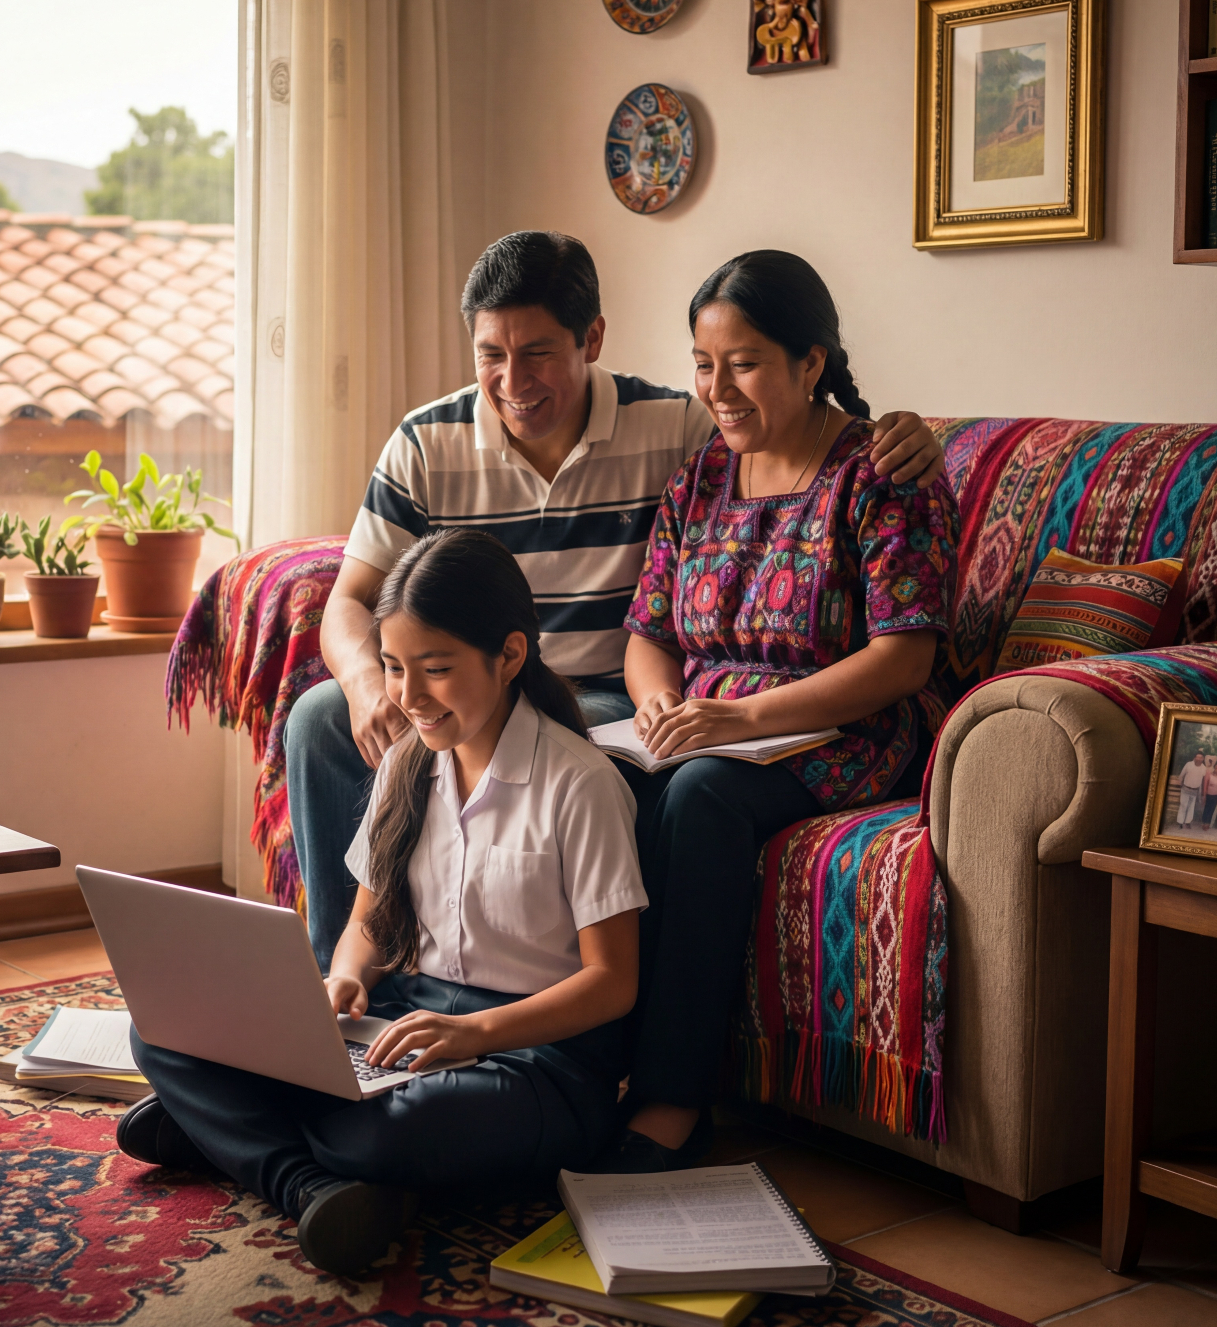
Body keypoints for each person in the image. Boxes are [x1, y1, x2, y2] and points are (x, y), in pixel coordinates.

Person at [287, 231, 948, 968]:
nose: (512, 380)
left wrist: (913, 431)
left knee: (602, 753)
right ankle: (338, 982)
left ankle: (533, 989)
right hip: (473, 681)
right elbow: (350, 598)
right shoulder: (424, 441)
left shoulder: (677, 430)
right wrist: (367, 681)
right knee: (318, 720)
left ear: (591, 337)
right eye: (490, 355)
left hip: (592, 693)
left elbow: (793, 434)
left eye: (537, 352)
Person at [121, 529, 649, 1275]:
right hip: (402, 1025)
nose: (408, 696)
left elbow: (613, 982)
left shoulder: (582, 785)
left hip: (536, 1064)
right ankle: (309, 1182)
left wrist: (475, 1035)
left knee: (380, 1132)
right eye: (396, 668)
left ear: (509, 656)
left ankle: (235, 1135)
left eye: (435, 670)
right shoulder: (408, 761)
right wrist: (347, 980)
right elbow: (368, 921)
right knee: (164, 1029)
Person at [597, 249, 960, 1171]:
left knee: (702, 799)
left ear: (812, 362)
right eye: (704, 362)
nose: (718, 388)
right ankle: (572, 1060)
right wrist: (659, 708)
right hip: (709, 731)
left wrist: (735, 724)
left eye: (745, 362)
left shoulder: (882, 474)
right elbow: (647, 632)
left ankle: (676, 1101)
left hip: (849, 730)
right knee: (597, 784)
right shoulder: (699, 481)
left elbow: (902, 656)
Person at [1177, 749, 1208, 828]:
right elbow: (1182, 775)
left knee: (1191, 807)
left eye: (1200, 758)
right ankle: (1180, 822)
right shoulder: (1188, 764)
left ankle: (1187, 822)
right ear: (1194, 758)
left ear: (1203, 759)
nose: (1199, 759)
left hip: (1195, 791)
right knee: (1183, 805)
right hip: (1185, 788)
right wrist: (1180, 783)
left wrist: (1201, 793)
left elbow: (1202, 781)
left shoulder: (1204, 768)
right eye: (1197, 757)